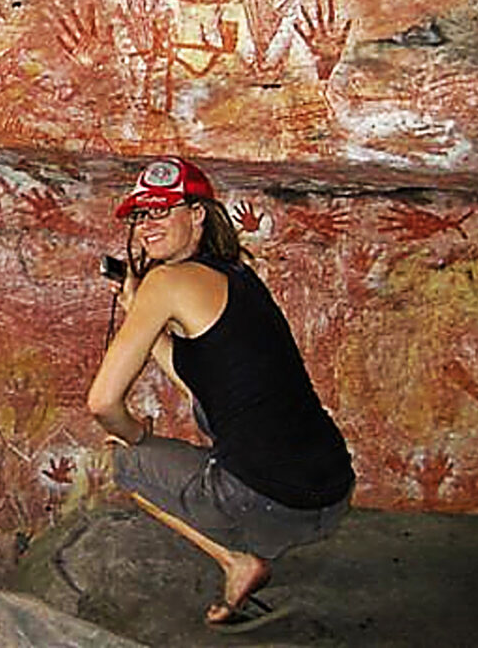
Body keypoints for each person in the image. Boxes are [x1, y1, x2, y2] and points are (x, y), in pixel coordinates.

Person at [87, 156, 354, 631]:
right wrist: (139, 314)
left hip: (274, 505)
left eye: (163, 211)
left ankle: (238, 562)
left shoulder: (166, 281)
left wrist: (135, 435)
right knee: (213, 422)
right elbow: (208, 383)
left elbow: (103, 403)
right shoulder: (241, 275)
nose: (148, 226)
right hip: (331, 492)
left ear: (198, 214)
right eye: (142, 215)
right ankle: (247, 538)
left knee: (121, 459)